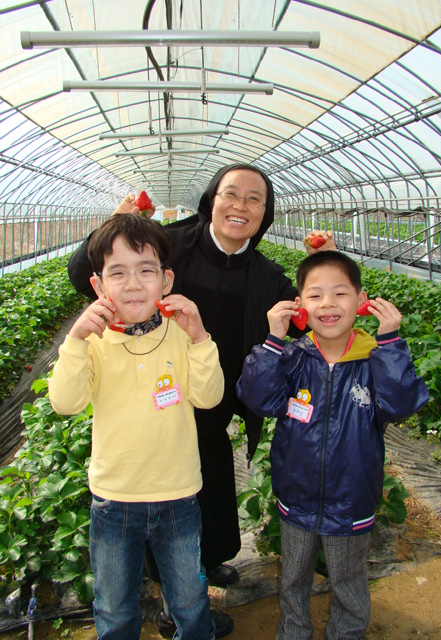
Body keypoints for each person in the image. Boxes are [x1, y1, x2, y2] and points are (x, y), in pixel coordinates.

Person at [67, 164, 335, 636]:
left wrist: (327, 265)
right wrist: (109, 225)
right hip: (156, 403)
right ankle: (176, 602)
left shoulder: (267, 274)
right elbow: (87, 270)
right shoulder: (170, 244)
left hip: (215, 402)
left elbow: (309, 316)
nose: (241, 206)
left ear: (265, 214)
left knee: (205, 492)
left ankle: (203, 565)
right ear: (211, 200)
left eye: (255, 199)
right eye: (231, 194)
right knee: (162, 498)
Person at [236, 251, 429, 640]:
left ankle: (348, 631)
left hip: (352, 497)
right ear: (299, 306)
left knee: (349, 578)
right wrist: (273, 340)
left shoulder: (375, 360)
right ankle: (293, 629)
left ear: (361, 303)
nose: (327, 304)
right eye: (315, 295)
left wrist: (391, 343)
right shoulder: (292, 357)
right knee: (292, 577)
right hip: (297, 494)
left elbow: (401, 405)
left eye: (340, 294)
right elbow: (260, 400)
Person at [49, 213, 224, 640]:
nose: (132, 283)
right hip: (114, 499)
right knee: (114, 606)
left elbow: (209, 396)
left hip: (178, 495)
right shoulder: (92, 342)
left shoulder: (182, 333)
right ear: (98, 286)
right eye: (118, 273)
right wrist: (73, 342)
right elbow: (65, 403)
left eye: (145, 271)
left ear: (166, 280)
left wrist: (201, 339)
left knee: (188, 599)